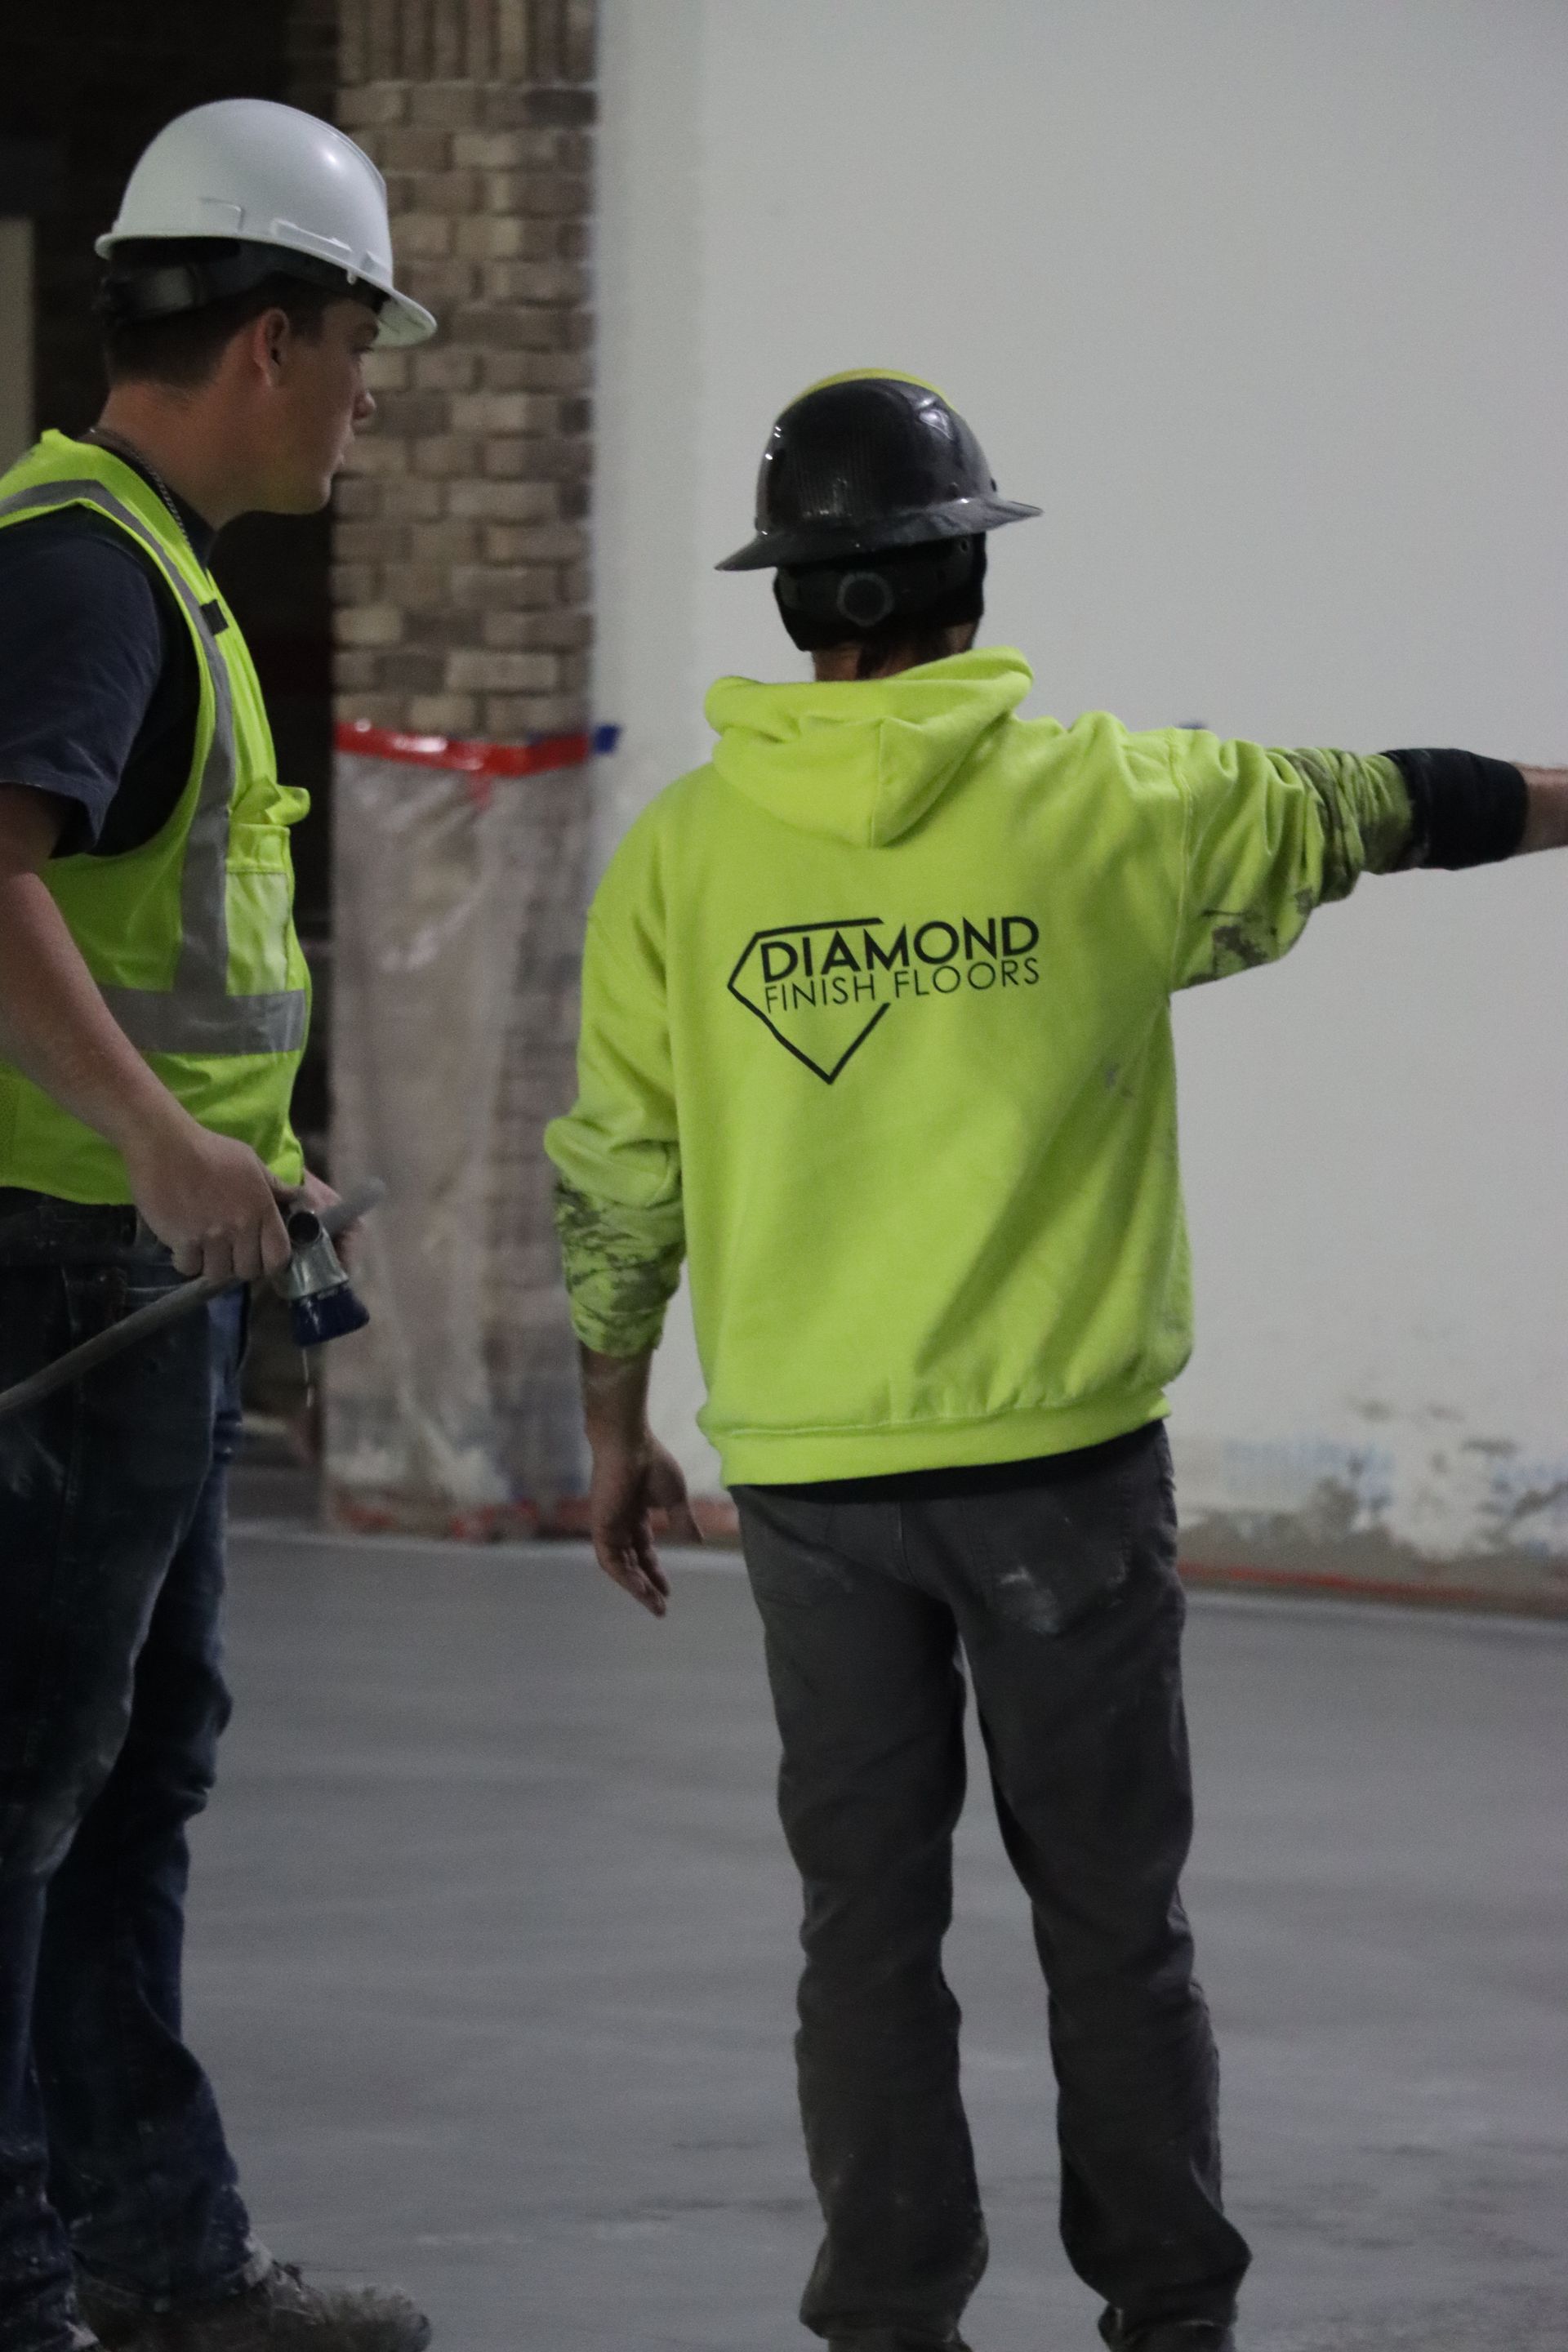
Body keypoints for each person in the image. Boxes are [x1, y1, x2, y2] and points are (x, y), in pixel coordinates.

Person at [543, 369, 1568, 2352]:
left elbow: (619, 1170)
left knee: (867, 1938)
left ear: (795, 603)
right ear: (963, 582)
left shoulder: (680, 860)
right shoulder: (1120, 802)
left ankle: (891, 2323)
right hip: (1068, 1482)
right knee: (1115, 1928)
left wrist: (614, 1420)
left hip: (815, 1493)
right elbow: (1396, 804)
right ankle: (1171, 2320)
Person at [0, 100, 438, 2352]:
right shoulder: (85, 566)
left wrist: (224, 1157)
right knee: (28, 1797)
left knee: (123, 1780)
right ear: (276, 335)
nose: (376, 393)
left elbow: (128, 929)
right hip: (62, 1277)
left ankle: (153, 2262)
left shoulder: (157, 573)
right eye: (367, 342)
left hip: (141, 1274)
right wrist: (160, 1148)